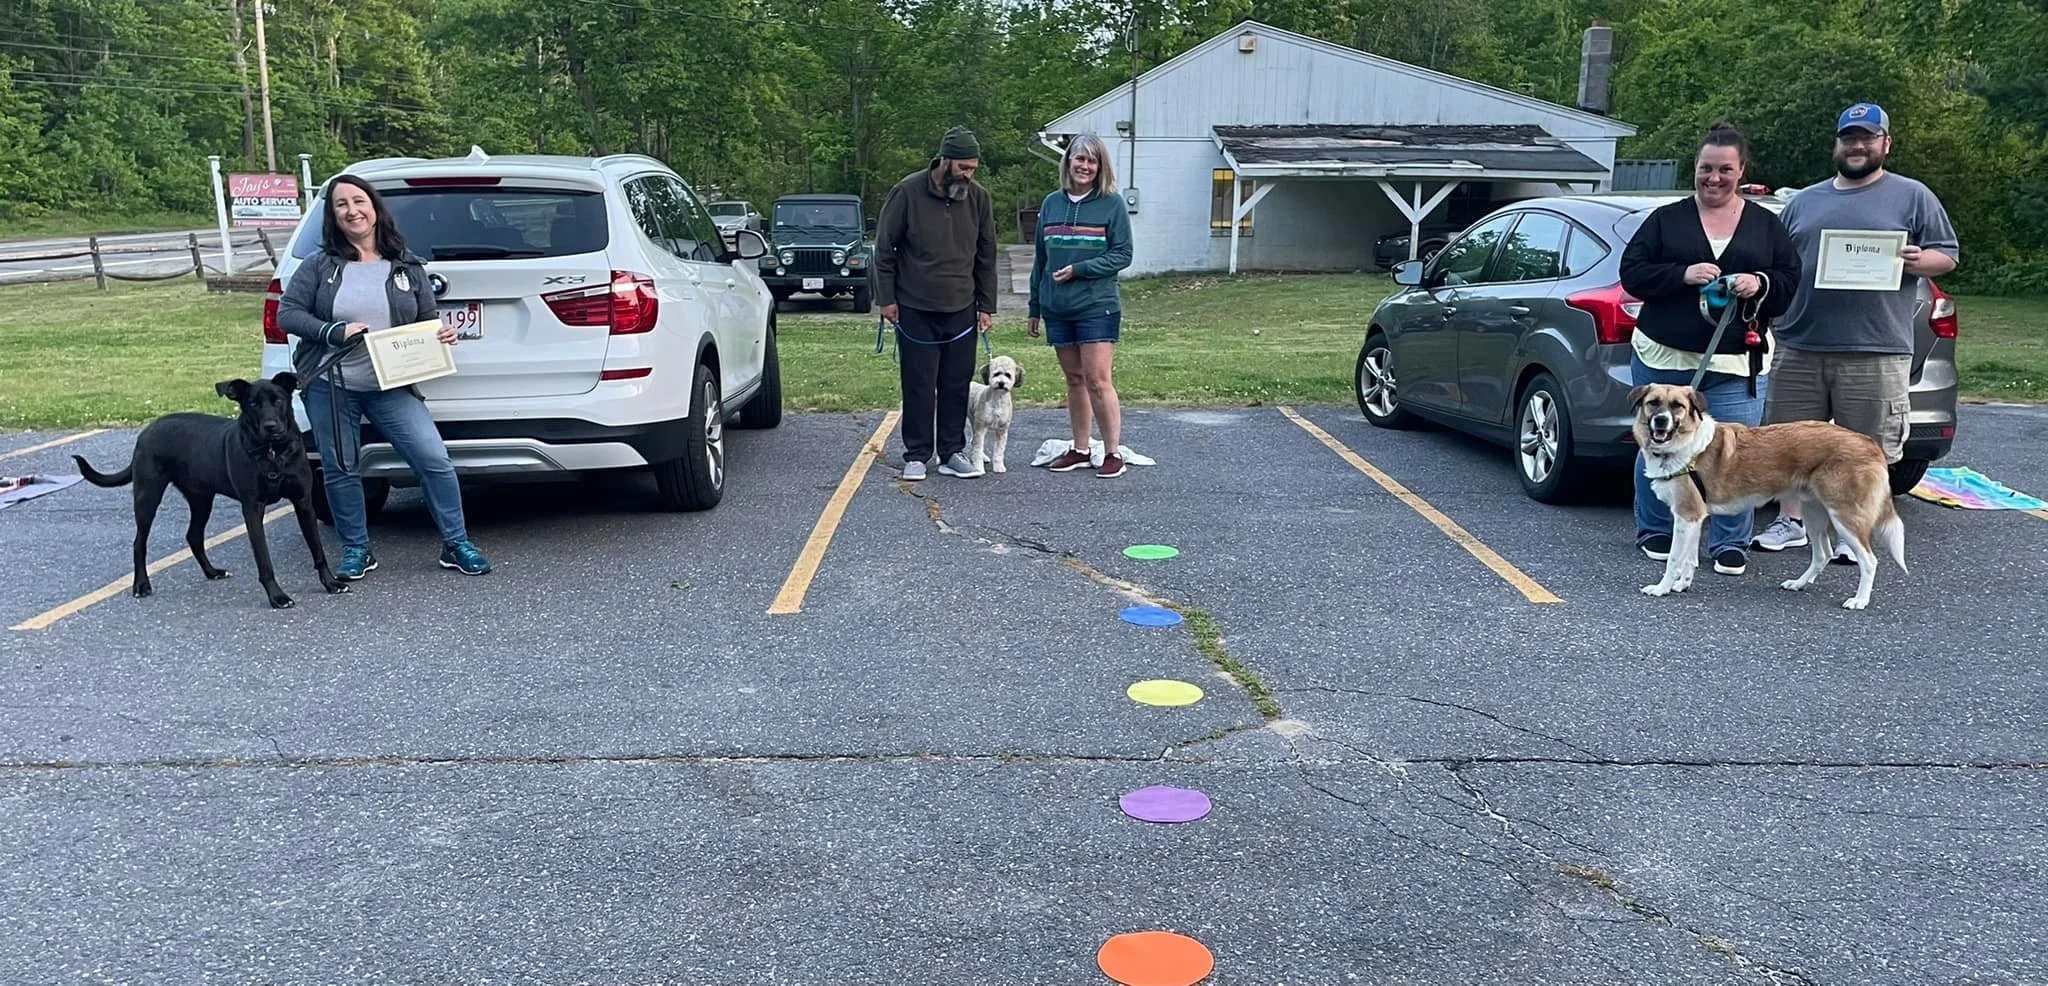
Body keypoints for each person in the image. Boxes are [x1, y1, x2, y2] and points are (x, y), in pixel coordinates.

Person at [1751, 102, 1959, 557]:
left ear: (1886, 143)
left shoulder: (1913, 196)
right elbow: (1780, 264)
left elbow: (1948, 254)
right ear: (1838, 144)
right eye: (1850, 138)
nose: (1858, 145)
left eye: (1867, 137)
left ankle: (1853, 532)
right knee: (1786, 442)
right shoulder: (1803, 202)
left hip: (1876, 347)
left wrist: (1919, 262)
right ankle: (1790, 523)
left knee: (1867, 447)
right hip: (1800, 342)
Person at [276, 174, 491, 579]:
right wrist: (331, 331)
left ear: (374, 208)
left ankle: (456, 543)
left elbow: (426, 320)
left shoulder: (405, 264)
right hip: (332, 385)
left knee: (434, 459)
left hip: (391, 385)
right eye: (341, 205)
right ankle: (357, 549)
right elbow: (288, 313)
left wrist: (442, 334)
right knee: (341, 468)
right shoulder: (318, 266)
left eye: (359, 201)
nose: (352, 210)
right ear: (333, 215)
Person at [1619, 121, 1801, 577]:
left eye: (1724, 169)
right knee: (1657, 446)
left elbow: (1790, 282)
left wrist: (1759, 282)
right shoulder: (1665, 219)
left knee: (1736, 456)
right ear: (1695, 169)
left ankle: (1729, 541)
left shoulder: (1766, 225)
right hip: (1664, 359)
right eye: (1705, 168)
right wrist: (1680, 275)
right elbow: (1633, 272)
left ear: (1741, 171)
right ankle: (1657, 530)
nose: (1713, 178)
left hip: (1736, 362)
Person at [875, 126, 999, 481]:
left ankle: (951, 452)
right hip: (914, 305)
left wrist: (985, 304)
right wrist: (886, 299)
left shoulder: (979, 198)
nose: (968, 175)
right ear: (944, 161)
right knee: (918, 382)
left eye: (973, 169)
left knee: (956, 382)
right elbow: (884, 249)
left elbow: (987, 254)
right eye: (963, 167)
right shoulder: (907, 192)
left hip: (962, 307)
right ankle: (916, 454)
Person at [1027, 132, 1136, 478]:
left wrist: (1080, 270)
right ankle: (1079, 447)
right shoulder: (1051, 204)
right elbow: (1041, 260)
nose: (1084, 166)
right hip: (1057, 308)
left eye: (1092, 160)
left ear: (1100, 166)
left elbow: (1123, 255)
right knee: (1074, 379)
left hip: (1096, 305)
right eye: (1079, 158)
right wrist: (1034, 305)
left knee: (1097, 379)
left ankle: (1113, 453)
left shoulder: (1111, 204)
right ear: (1068, 161)